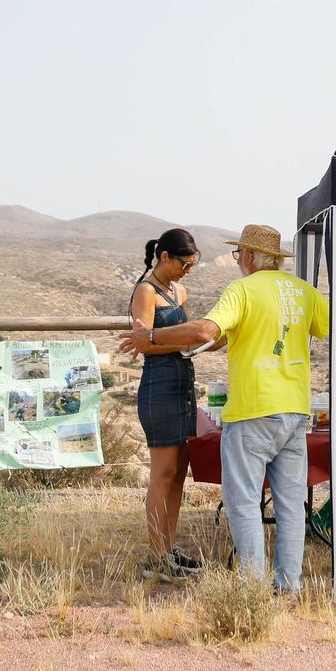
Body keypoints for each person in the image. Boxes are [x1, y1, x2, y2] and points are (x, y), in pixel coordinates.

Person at [120, 224, 336, 593]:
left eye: (238, 255)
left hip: (252, 410)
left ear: (247, 256)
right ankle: (288, 585)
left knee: (244, 501)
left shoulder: (242, 289)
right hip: (295, 410)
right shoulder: (303, 291)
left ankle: (252, 588)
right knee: (291, 504)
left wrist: (150, 336)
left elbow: (204, 333)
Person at [128, 228, 206, 581]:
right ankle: (155, 557)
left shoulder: (180, 290)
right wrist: (181, 342)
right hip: (158, 386)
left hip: (184, 384)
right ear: (165, 258)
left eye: (192, 265)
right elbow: (141, 344)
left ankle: (169, 548)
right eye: (184, 264)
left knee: (178, 474)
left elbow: (187, 334)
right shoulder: (146, 291)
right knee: (162, 473)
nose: (187, 270)